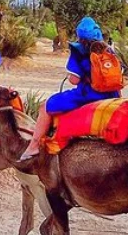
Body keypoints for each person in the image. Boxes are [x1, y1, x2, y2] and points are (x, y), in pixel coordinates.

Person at [20, 16, 121, 160]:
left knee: (47, 106)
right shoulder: (110, 51)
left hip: (87, 96)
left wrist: (71, 75)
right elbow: (118, 78)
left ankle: (33, 146)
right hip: (112, 95)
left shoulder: (78, 52)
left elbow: (74, 80)